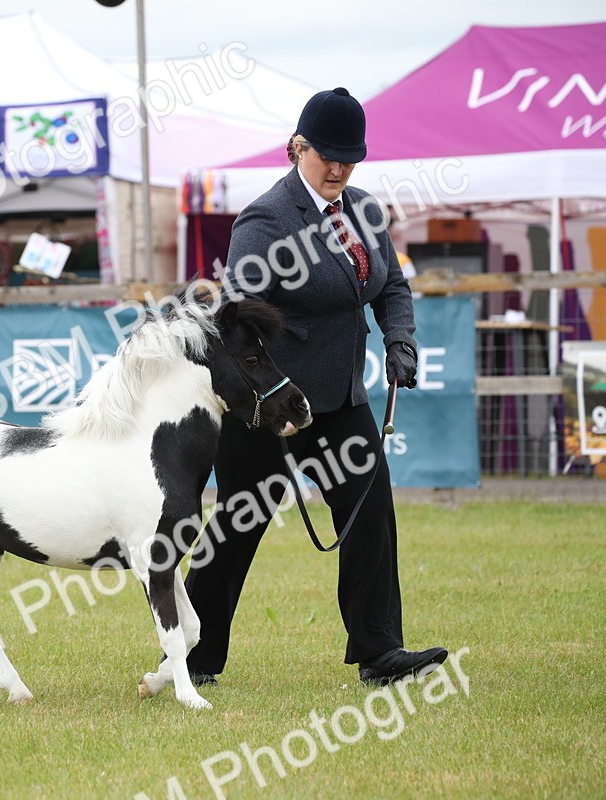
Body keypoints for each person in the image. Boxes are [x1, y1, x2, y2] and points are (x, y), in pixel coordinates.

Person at [182, 87, 446, 688]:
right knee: (236, 529)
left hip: (341, 402)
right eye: (328, 155)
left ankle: (379, 653)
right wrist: (267, 395)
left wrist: (398, 338)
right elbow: (239, 318)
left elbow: (392, 288)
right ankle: (191, 657)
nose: (338, 169)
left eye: (349, 159)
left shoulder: (364, 211)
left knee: (371, 510)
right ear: (298, 147)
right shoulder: (266, 219)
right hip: (270, 407)